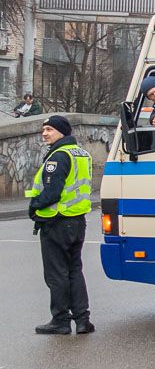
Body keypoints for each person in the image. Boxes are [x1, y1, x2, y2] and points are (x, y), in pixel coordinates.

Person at [25, 115, 94, 335]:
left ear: (62, 132)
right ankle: (83, 320)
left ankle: (61, 321)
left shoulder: (59, 156)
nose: (45, 133)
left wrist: (34, 206)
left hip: (57, 220)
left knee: (56, 274)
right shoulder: (81, 153)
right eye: (43, 130)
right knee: (74, 270)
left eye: (49, 129)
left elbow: (52, 192)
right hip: (77, 220)